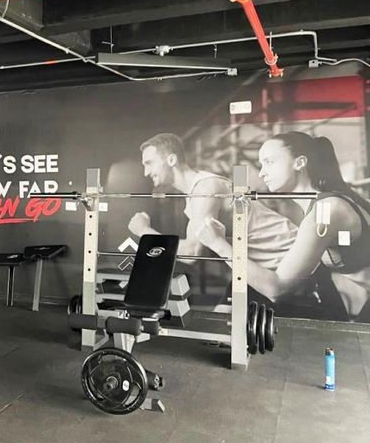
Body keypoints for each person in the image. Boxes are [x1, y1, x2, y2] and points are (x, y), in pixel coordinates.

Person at [200, 132, 370, 320]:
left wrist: (218, 244)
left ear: (300, 163)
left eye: (269, 162)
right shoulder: (321, 206)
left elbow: (277, 289)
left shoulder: (325, 211)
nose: (262, 173)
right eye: (261, 165)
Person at [128, 133, 297, 268]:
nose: (146, 172)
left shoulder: (205, 188)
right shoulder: (194, 193)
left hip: (291, 256)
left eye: (149, 163)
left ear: (172, 160)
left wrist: (143, 231)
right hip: (268, 266)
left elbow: (191, 253)